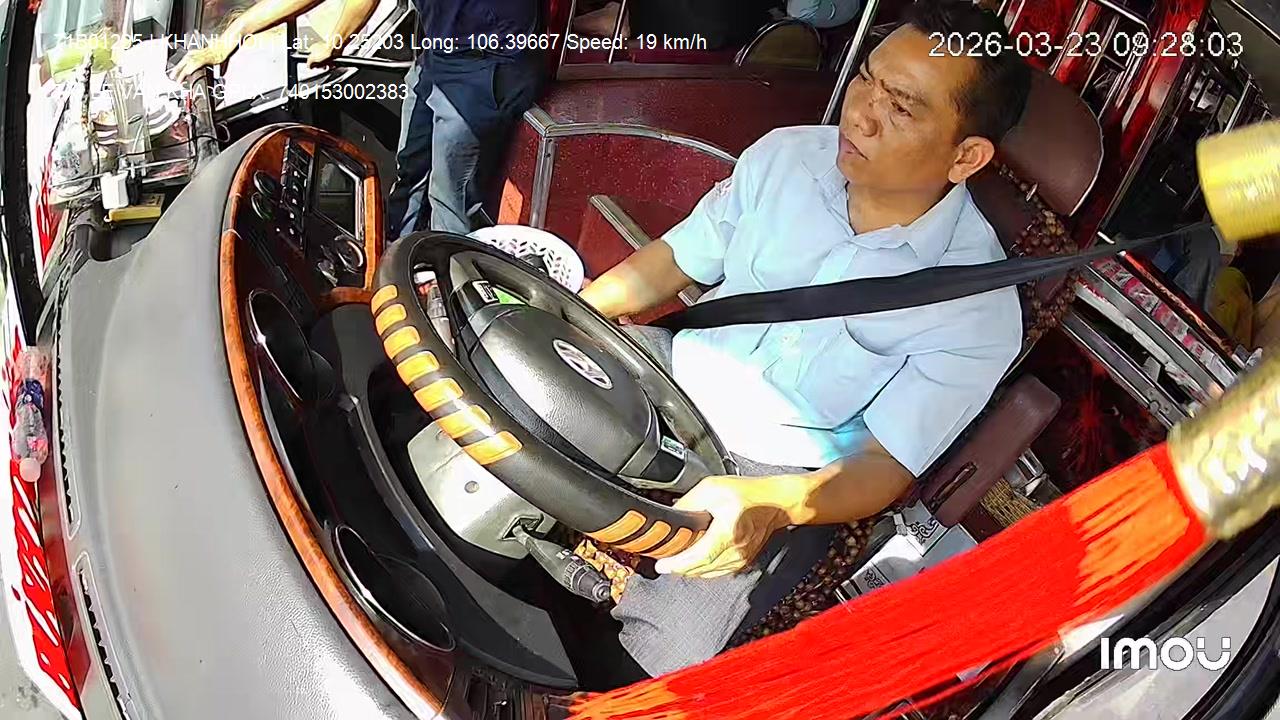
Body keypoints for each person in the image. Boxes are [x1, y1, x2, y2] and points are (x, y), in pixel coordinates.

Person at [578, 0, 1031, 676]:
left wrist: (771, 506)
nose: (861, 115)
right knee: (501, 404)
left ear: (966, 155)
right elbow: (674, 260)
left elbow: (884, 467)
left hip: (778, 467)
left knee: (662, 658)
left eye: (901, 108)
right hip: (674, 370)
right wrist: (570, 313)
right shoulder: (786, 156)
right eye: (867, 80)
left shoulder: (976, 307)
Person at [174, 0, 543, 237]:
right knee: (411, 170)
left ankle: (451, 306)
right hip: (439, 53)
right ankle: (399, 260)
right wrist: (237, 31)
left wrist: (335, 41)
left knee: (451, 199)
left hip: (486, 62)